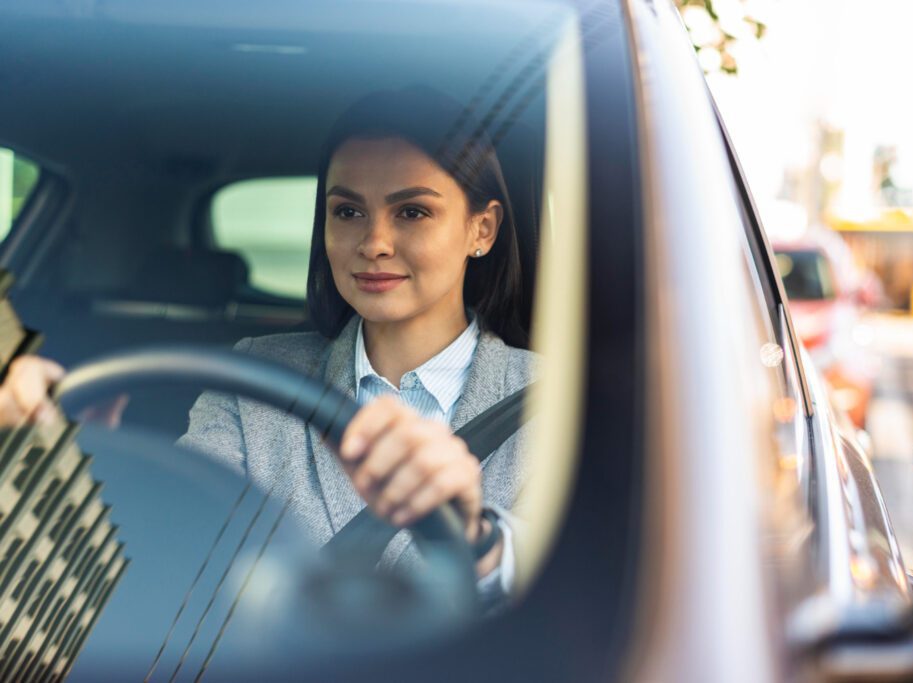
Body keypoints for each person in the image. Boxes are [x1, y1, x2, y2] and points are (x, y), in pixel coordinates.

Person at [0, 88, 536, 599]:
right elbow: (174, 544)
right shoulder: (253, 375)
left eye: (412, 212)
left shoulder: (555, 400)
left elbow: (582, 596)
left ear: (481, 230)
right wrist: (70, 466)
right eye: (347, 211)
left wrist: (478, 543)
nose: (374, 243)